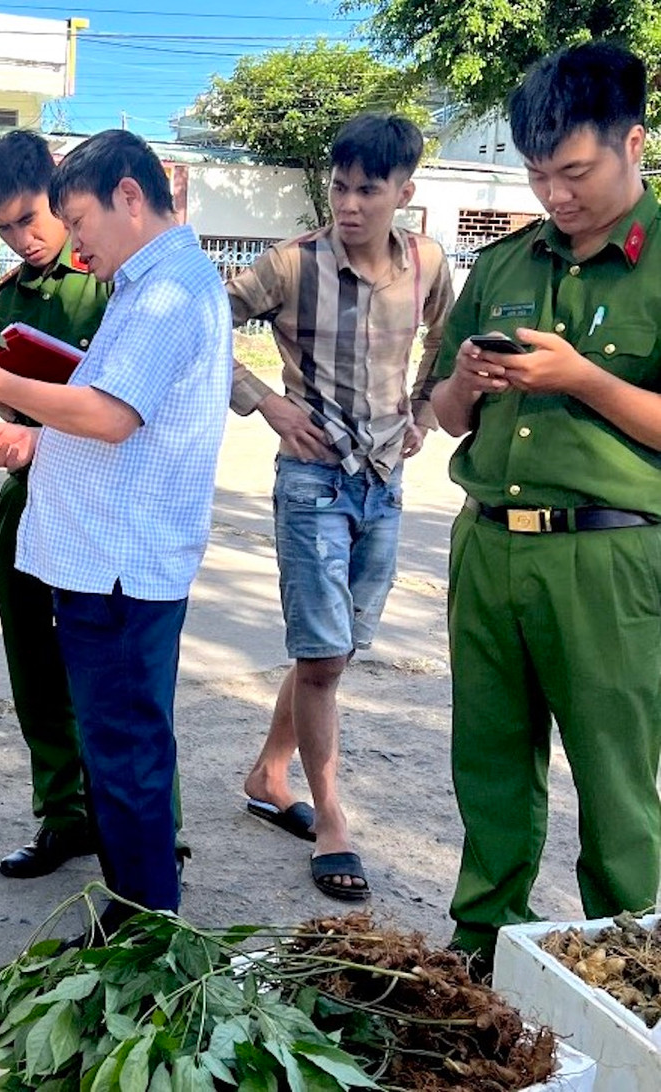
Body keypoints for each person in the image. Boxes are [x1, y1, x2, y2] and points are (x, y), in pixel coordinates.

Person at [428, 41, 661, 964]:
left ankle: (630, 960)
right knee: (487, 762)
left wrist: (581, 378)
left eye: (573, 171)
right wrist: (470, 383)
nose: (554, 196)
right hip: (489, 546)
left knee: (614, 776)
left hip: (609, 558)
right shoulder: (506, 262)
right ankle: (482, 943)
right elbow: (441, 413)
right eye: (535, 173)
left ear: (634, 143)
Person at [0, 130, 230, 935]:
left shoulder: (165, 293)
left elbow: (112, 416)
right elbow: (123, 417)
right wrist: (38, 437)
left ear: (127, 195)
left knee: (125, 757)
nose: (72, 239)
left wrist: (1, 381)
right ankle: (137, 907)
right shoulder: (142, 284)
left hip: (119, 565)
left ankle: (145, 925)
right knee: (120, 750)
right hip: (105, 556)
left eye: (76, 218)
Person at [225, 114, 453, 901]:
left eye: (369, 189)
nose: (350, 204)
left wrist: (423, 412)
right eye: (340, 185)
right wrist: (266, 403)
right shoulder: (291, 265)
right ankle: (331, 822)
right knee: (323, 657)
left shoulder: (426, 263)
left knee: (337, 650)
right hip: (311, 484)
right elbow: (195, 327)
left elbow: (446, 345)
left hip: (385, 485)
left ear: (404, 193)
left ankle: (268, 771)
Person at [0, 129, 109, 878]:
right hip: (29, 499)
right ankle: (61, 818)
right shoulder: (9, 299)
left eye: (29, 218)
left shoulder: (108, 277)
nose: (21, 239)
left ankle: (143, 829)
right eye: (3, 228)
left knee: (112, 678)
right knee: (35, 670)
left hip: (101, 508)